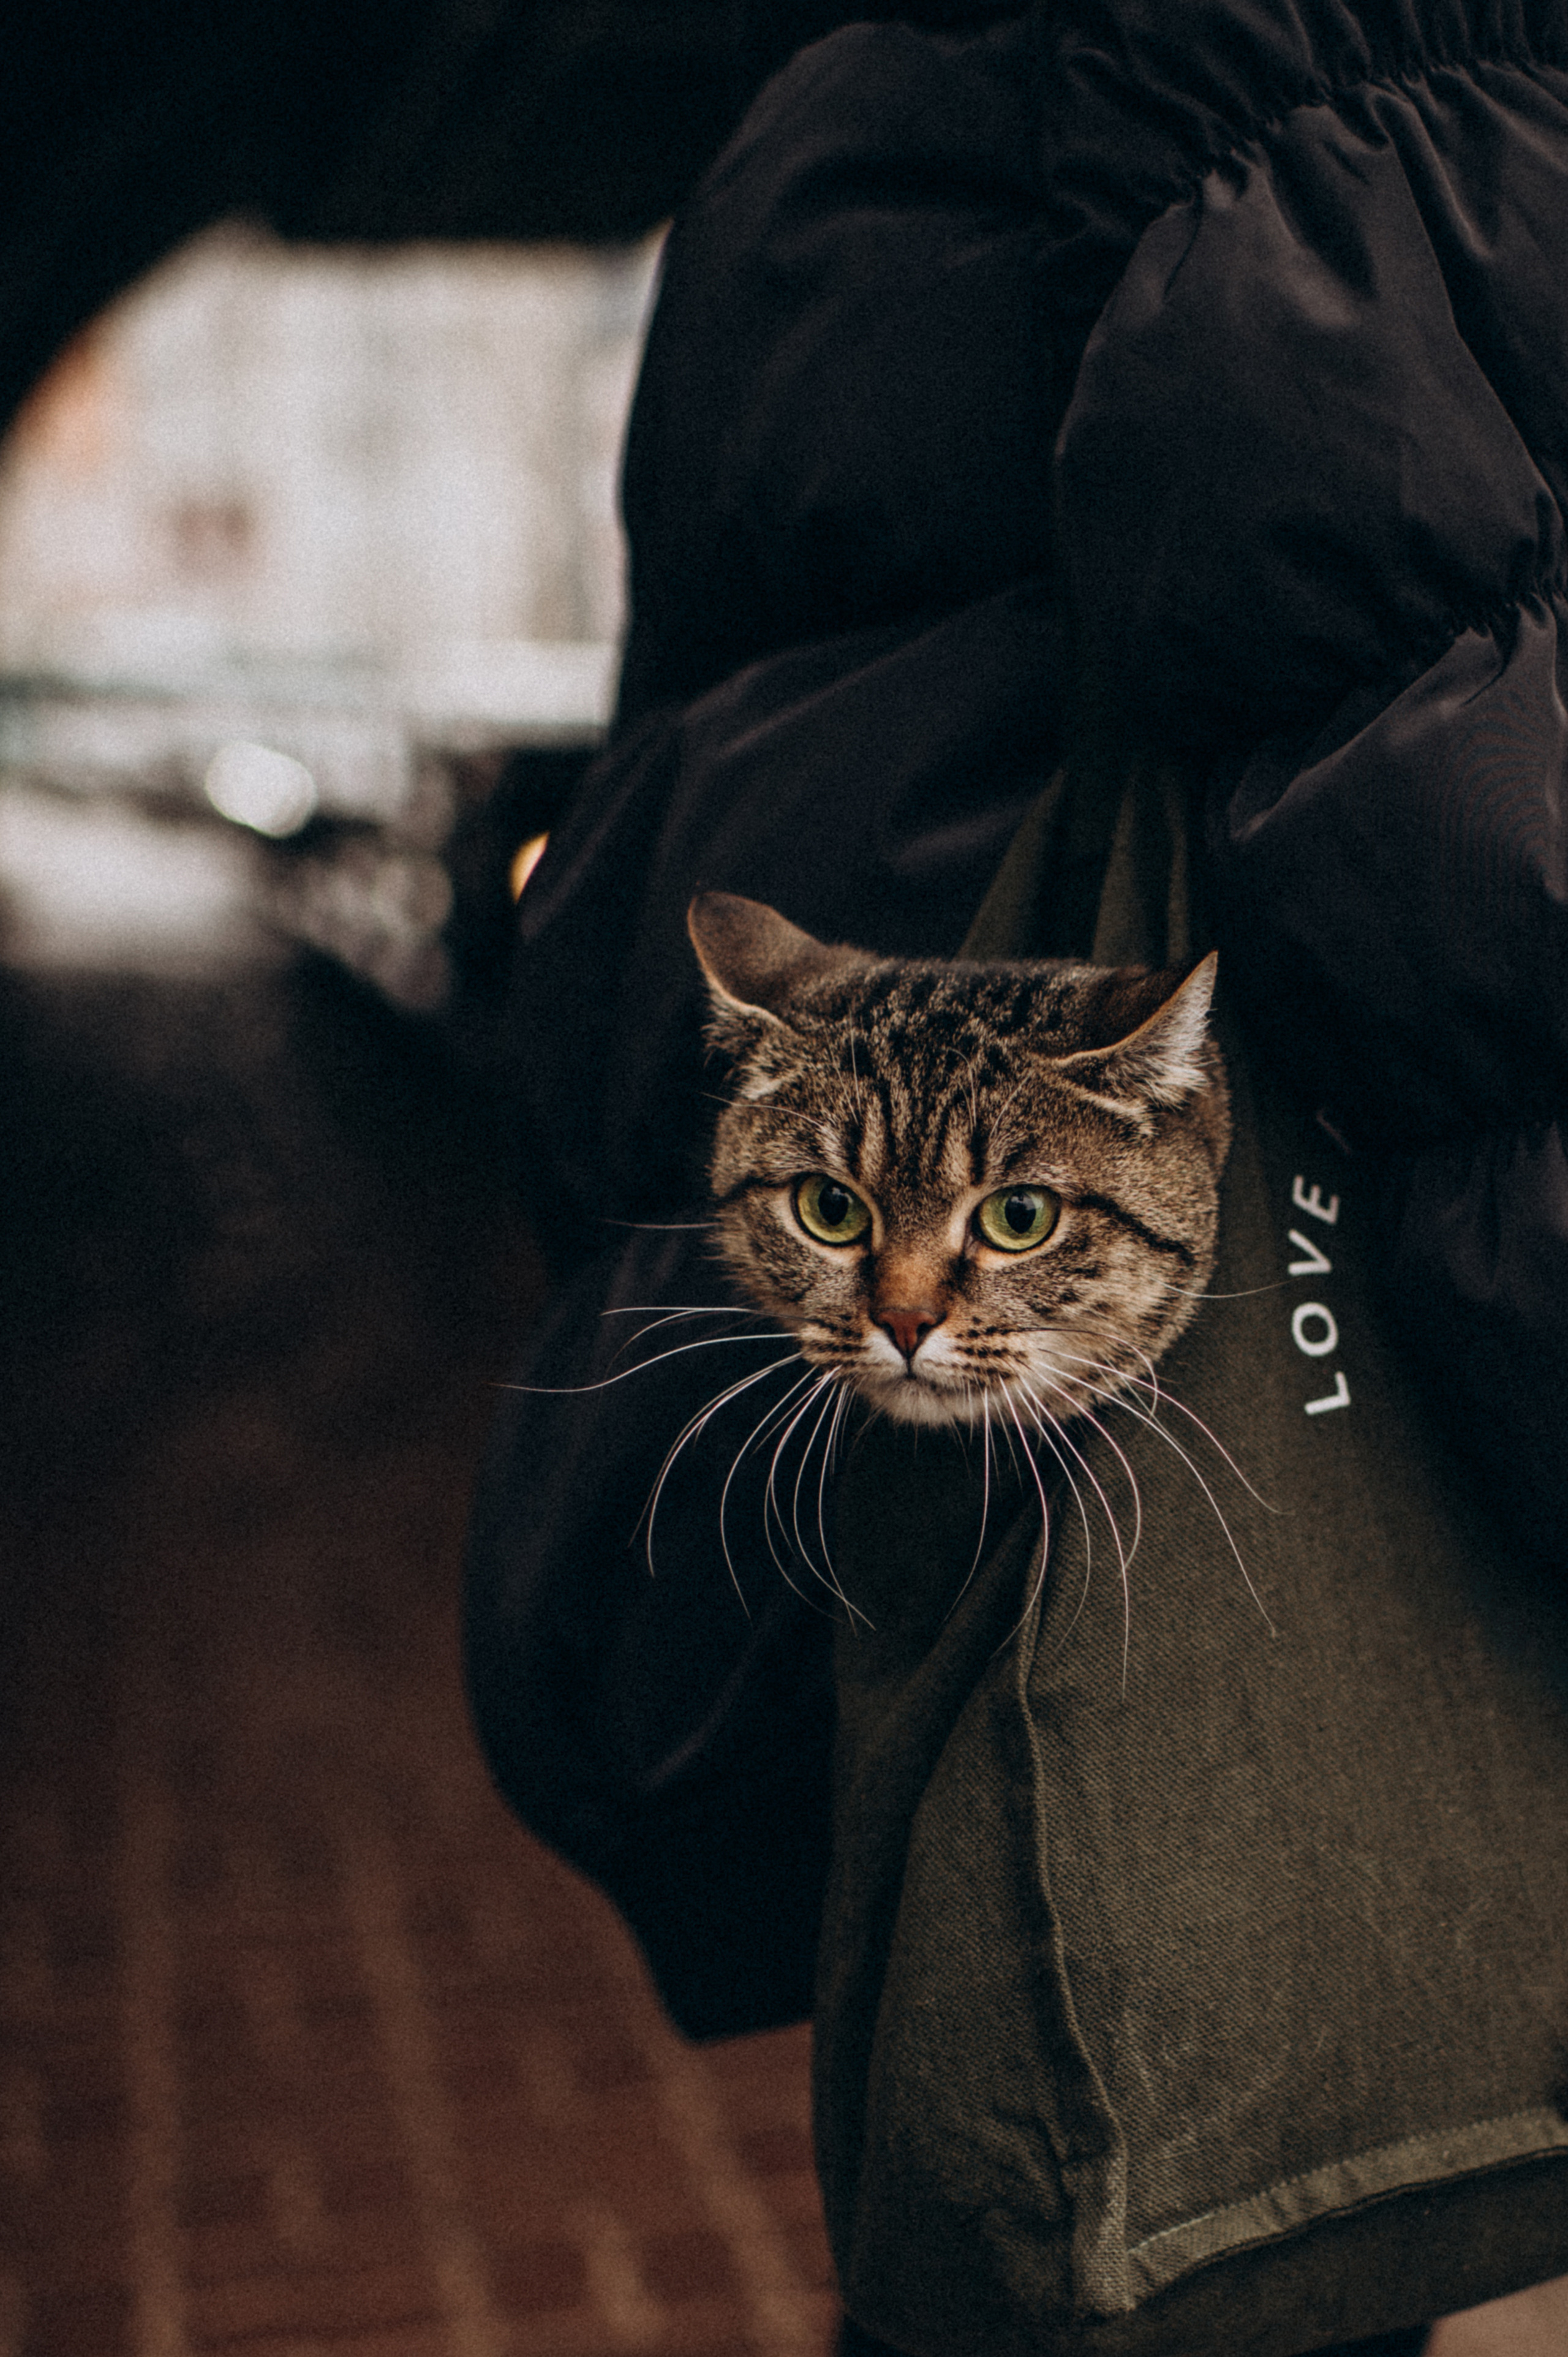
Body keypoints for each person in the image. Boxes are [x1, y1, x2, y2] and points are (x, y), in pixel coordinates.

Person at [464, 1, 1568, 2348]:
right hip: (1144, 1290)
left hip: (940, 1338)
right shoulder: (1303, 64)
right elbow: (1457, 811)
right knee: (1193, 2130)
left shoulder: (819, 116)